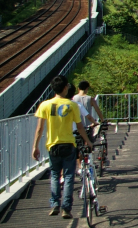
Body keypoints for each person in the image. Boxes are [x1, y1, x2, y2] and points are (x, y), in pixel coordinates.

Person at [32, 76, 93, 219]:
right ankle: (66, 208)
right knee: (69, 175)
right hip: (69, 144)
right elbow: (79, 126)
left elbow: (40, 128)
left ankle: (54, 204)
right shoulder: (72, 105)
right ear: (65, 87)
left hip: (52, 145)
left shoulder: (45, 105)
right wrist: (88, 142)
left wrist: (35, 147)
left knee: (54, 174)